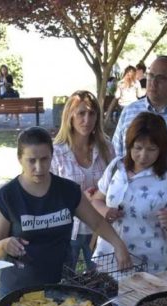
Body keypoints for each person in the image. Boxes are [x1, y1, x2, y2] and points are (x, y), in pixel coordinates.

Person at [0, 127, 132, 296]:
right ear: (20, 159)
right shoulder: (7, 197)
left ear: (52, 156)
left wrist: (119, 245)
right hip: (19, 289)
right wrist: (4, 245)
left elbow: (97, 222)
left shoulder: (68, 190)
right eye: (31, 160)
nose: (39, 167)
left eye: (44, 159)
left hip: (61, 285)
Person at [92, 112, 167, 272]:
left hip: (148, 265)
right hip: (107, 258)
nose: (143, 155)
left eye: (151, 149)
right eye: (138, 148)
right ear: (129, 145)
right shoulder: (116, 166)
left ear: (161, 149)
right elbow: (96, 200)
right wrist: (106, 211)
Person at [51, 90, 115, 270]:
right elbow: (49, 194)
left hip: (99, 228)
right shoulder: (56, 152)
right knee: (63, 281)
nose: (87, 119)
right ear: (70, 116)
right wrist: (79, 199)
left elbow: (116, 185)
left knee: (101, 280)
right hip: (68, 229)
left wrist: (98, 198)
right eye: (81, 113)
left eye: (91, 113)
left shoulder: (107, 149)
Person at [113, 56, 167, 171]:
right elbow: (115, 156)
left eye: (161, 78)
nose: (153, 82)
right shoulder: (129, 111)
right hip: (131, 186)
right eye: (150, 75)